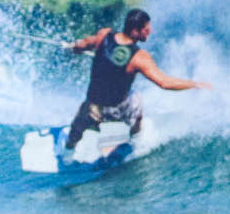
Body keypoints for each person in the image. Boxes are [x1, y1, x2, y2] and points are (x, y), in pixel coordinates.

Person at [64, 8, 210, 151]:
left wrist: (74, 46)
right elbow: (165, 83)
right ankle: (136, 137)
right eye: (146, 29)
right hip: (117, 109)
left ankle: (69, 148)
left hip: (92, 107)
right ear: (135, 31)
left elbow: (83, 44)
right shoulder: (140, 57)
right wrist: (195, 84)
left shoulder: (104, 35)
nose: (150, 31)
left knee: (78, 126)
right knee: (137, 100)